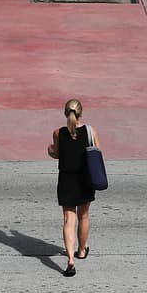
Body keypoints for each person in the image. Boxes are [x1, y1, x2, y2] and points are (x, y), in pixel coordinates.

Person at [47, 98, 97, 277]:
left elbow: (57, 154)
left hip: (67, 179)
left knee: (69, 219)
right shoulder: (90, 131)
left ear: (65, 113)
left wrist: (50, 151)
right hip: (85, 179)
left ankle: (70, 260)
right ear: (81, 113)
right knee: (83, 216)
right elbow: (96, 152)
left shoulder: (58, 133)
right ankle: (82, 250)